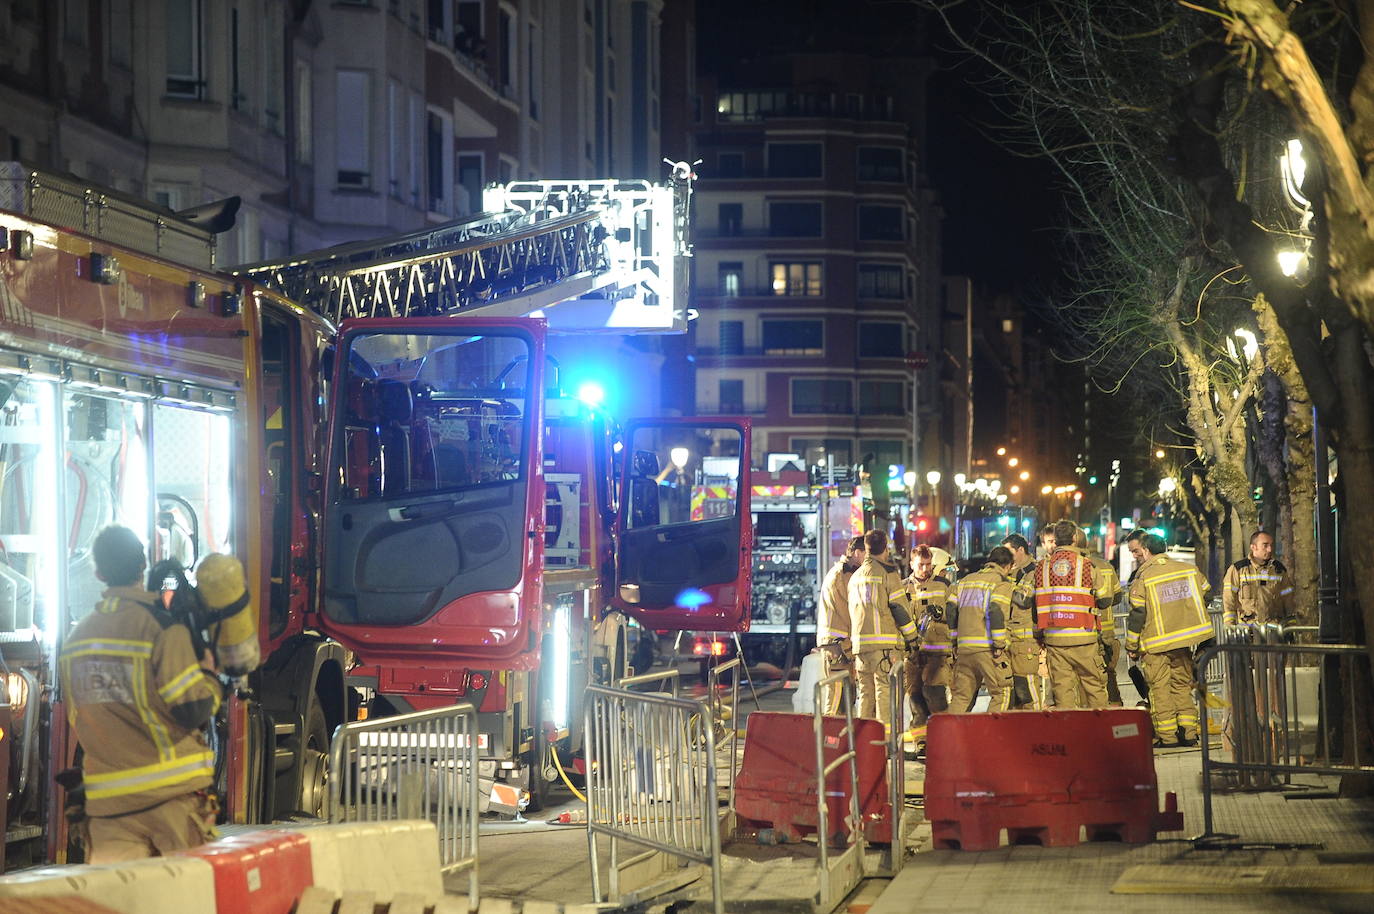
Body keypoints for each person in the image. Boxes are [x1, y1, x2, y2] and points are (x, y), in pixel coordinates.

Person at [59, 525, 222, 862]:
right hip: (171, 803)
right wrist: (208, 672)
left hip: (108, 809)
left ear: (99, 572)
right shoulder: (160, 627)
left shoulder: (75, 641)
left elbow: (78, 715)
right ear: (142, 565)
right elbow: (192, 709)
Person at [1126, 533, 1213, 747]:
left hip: (1155, 645)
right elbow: (1206, 595)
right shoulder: (1188, 570)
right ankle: (1189, 733)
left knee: (1159, 690)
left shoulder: (1144, 577)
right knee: (1182, 686)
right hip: (1183, 643)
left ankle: (1168, 737)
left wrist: (1131, 646)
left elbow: (1138, 614)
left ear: (1146, 550)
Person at [1016, 519, 1112, 709]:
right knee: (1094, 688)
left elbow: (1030, 603)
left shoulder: (1041, 567)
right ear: (1075, 538)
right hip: (1084, 638)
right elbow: (1105, 599)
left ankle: (1070, 735)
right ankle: (1099, 733)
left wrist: (1038, 633)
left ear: (1055, 540)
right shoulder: (1087, 566)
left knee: (1062, 693)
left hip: (1054, 640)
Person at [848, 529, 918, 727]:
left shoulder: (855, 577)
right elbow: (899, 609)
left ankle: (864, 745)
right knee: (884, 696)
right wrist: (912, 639)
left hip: (860, 648)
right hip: (884, 648)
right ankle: (886, 746)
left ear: (867, 547)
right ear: (886, 548)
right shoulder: (887, 574)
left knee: (865, 696)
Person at [947, 546, 1016, 713]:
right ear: (1007, 566)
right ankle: (992, 735)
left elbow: (950, 610)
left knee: (962, 696)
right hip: (987, 649)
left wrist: (955, 640)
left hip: (964, 649)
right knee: (1002, 693)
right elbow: (995, 611)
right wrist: (999, 645)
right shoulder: (1001, 582)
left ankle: (950, 735)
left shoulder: (965, 581)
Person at [904, 544, 955, 739]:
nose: (925, 569)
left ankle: (943, 739)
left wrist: (942, 616)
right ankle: (921, 741)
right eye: (920, 565)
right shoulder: (902, 588)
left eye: (928, 565)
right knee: (916, 701)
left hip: (937, 654)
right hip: (913, 655)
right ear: (911, 564)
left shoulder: (943, 585)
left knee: (936, 698)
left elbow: (954, 615)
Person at [1075, 527, 1124, 705]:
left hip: (1083, 632)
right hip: (1107, 633)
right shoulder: (1105, 566)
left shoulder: (1075, 567)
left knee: (1084, 678)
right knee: (1109, 674)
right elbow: (1117, 596)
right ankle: (1115, 709)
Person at [817, 536, 864, 714]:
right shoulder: (841, 576)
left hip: (840, 645)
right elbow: (851, 611)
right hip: (837, 647)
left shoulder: (844, 573)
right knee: (836, 699)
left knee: (845, 698)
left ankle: (840, 739)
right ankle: (831, 737)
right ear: (857, 553)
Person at [1222, 531, 1296, 628]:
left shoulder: (1278, 569)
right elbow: (1229, 598)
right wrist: (1230, 625)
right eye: (1265, 545)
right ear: (1253, 547)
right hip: (1247, 630)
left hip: (1274, 629)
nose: (1269, 549)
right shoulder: (1238, 569)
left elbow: (1288, 599)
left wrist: (1291, 625)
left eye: (1271, 545)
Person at [1000, 534, 1040, 708]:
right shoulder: (1014, 572)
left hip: (1026, 641)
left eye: (1009, 552)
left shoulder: (1034, 570)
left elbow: (1024, 599)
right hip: (1011, 640)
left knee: (1028, 691)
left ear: (1021, 550)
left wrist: (1003, 584)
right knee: (1013, 692)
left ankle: (1037, 728)